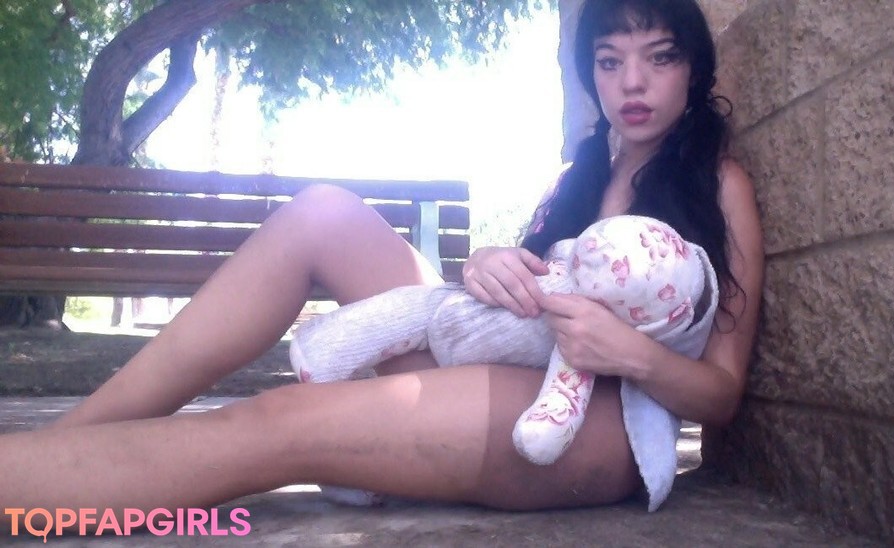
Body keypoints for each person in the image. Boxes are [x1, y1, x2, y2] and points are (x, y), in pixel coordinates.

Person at [0, 0, 762, 523]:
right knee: (323, 212)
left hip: (594, 427)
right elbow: (523, 303)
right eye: (609, 60)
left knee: (283, 421)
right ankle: (71, 440)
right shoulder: (578, 178)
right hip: (511, 369)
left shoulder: (718, 184)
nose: (632, 82)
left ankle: (24, 483)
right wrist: (487, 265)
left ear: (693, 71)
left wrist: (626, 351)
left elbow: (722, 395)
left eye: (659, 58)